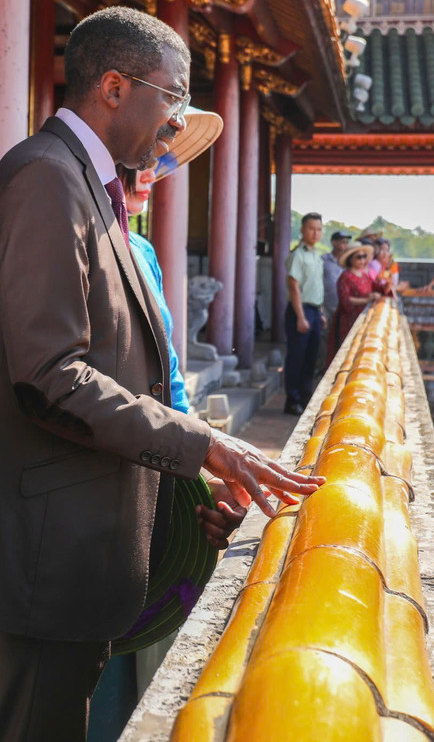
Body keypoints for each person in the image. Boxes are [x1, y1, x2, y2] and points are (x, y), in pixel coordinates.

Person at [0, 6, 322, 742]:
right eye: (171, 97)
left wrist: (196, 474)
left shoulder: (88, 186)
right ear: (113, 85)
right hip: (50, 544)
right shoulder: (47, 179)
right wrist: (204, 445)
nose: (175, 124)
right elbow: (51, 376)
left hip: (86, 543)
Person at [87, 162, 246, 742]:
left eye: (160, 161)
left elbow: (171, 378)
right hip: (101, 483)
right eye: (136, 163)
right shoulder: (76, 245)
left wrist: (207, 459)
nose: (149, 172)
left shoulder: (146, 253)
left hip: (167, 474)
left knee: (157, 672)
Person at [283, 213, 325, 414]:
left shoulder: (316, 255)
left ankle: (305, 398)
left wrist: (321, 312)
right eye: (311, 228)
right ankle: (292, 400)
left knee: (311, 357)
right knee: (296, 357)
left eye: (318, 229)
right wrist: (301, 316)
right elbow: (294, 286)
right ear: (302, 230)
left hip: (315, 310)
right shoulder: (297, 255)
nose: (315, 233)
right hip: (300, 309)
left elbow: (316, 287)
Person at [330, 242, 387, 358]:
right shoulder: (345, 276)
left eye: (364, 257)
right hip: (349, 319)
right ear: (351, 259)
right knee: (348, 352)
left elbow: (376, 287)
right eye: (359, 257)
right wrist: (366, 299)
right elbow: (345, 300)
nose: (362, 260)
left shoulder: (364, 274)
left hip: (364, 316)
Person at [321, 229, 350, 317]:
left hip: (343, 306)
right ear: (333, 242)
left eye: (346, 242)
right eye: (342, 241)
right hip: (326, 305)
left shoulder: (348, 262)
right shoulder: (323, 259)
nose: (345, 244)